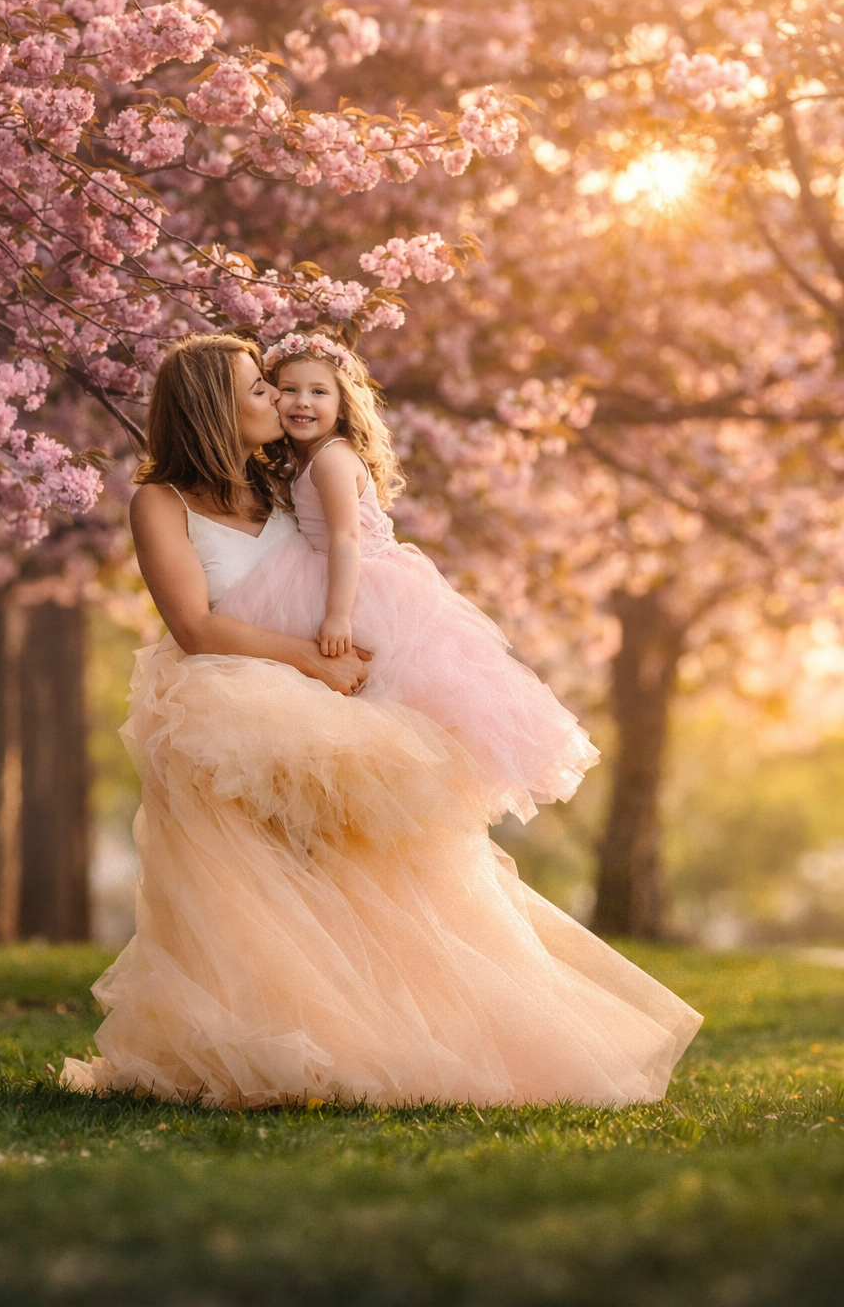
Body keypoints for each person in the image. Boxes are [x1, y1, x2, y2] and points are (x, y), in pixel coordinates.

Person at [62, 332, 701, 1109]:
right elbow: (195, 626)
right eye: (258, 389)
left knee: (379, 870)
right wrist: (313, 658)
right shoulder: (161, 502)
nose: (277, 399)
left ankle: (399, 1031)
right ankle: (262, 1033)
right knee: (252, 887)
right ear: (214, 406)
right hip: (235, 695)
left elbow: (350, 550)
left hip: (326, 690)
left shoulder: (281, 482)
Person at [217, 331, 598, 824]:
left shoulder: (331, 460)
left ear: (342, 403)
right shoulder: (307, 458)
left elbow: (346, 542)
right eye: (287, 389)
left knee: (383, 694)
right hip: (332, 571)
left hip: (358, 583)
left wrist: (336, 615)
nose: (301, 402)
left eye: (318, 392)